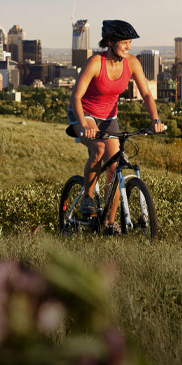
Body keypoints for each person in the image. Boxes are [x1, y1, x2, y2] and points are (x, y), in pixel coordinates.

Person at [68, 20, 165, 233]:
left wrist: (155, 120)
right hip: (84, 114)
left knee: (115, 167)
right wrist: (84, 123)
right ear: (110, 42)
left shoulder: (131, 63)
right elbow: (76, 96)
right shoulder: (95, 62)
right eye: (124, 42)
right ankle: (87, 198)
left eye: (130, 42)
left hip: (109, 118)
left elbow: (147, 94)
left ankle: (109, 223)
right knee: (98, 149)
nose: (128, 46)